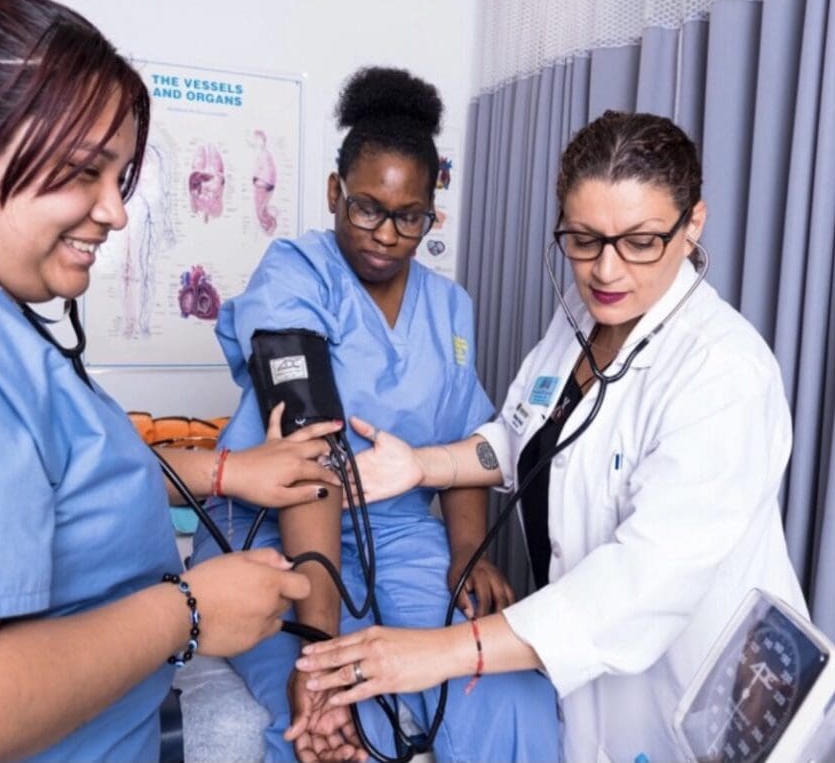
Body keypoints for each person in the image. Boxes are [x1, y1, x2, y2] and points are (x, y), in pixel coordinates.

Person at [0, 0, 343, 761]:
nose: (116, 210)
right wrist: (188, 611)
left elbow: (44, 474)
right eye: (86, 172)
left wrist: (228, 470)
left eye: (120, 177)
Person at [295, 110, 810, 763]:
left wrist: (439, 650)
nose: (606, 269)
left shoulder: (724, 371)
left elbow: (644, 580)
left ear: (692, 227)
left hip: (706, 697)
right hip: (599, 696)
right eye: (584, 238)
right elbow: (521, 441)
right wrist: (420, 466)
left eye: (640, 241)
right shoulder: (579, 322)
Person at [189, 66, 560, 762]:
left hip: (396, 530)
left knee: (508, 697)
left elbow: (467, 440)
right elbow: (307, 447)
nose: (386, 234)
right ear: (335, 192)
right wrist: (322, 638)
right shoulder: (296, 273)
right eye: (366, 208)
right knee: (335, 711)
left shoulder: (450, 308)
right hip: (278, 522)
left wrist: (465, 555)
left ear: (431, 214)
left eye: (408, 217)